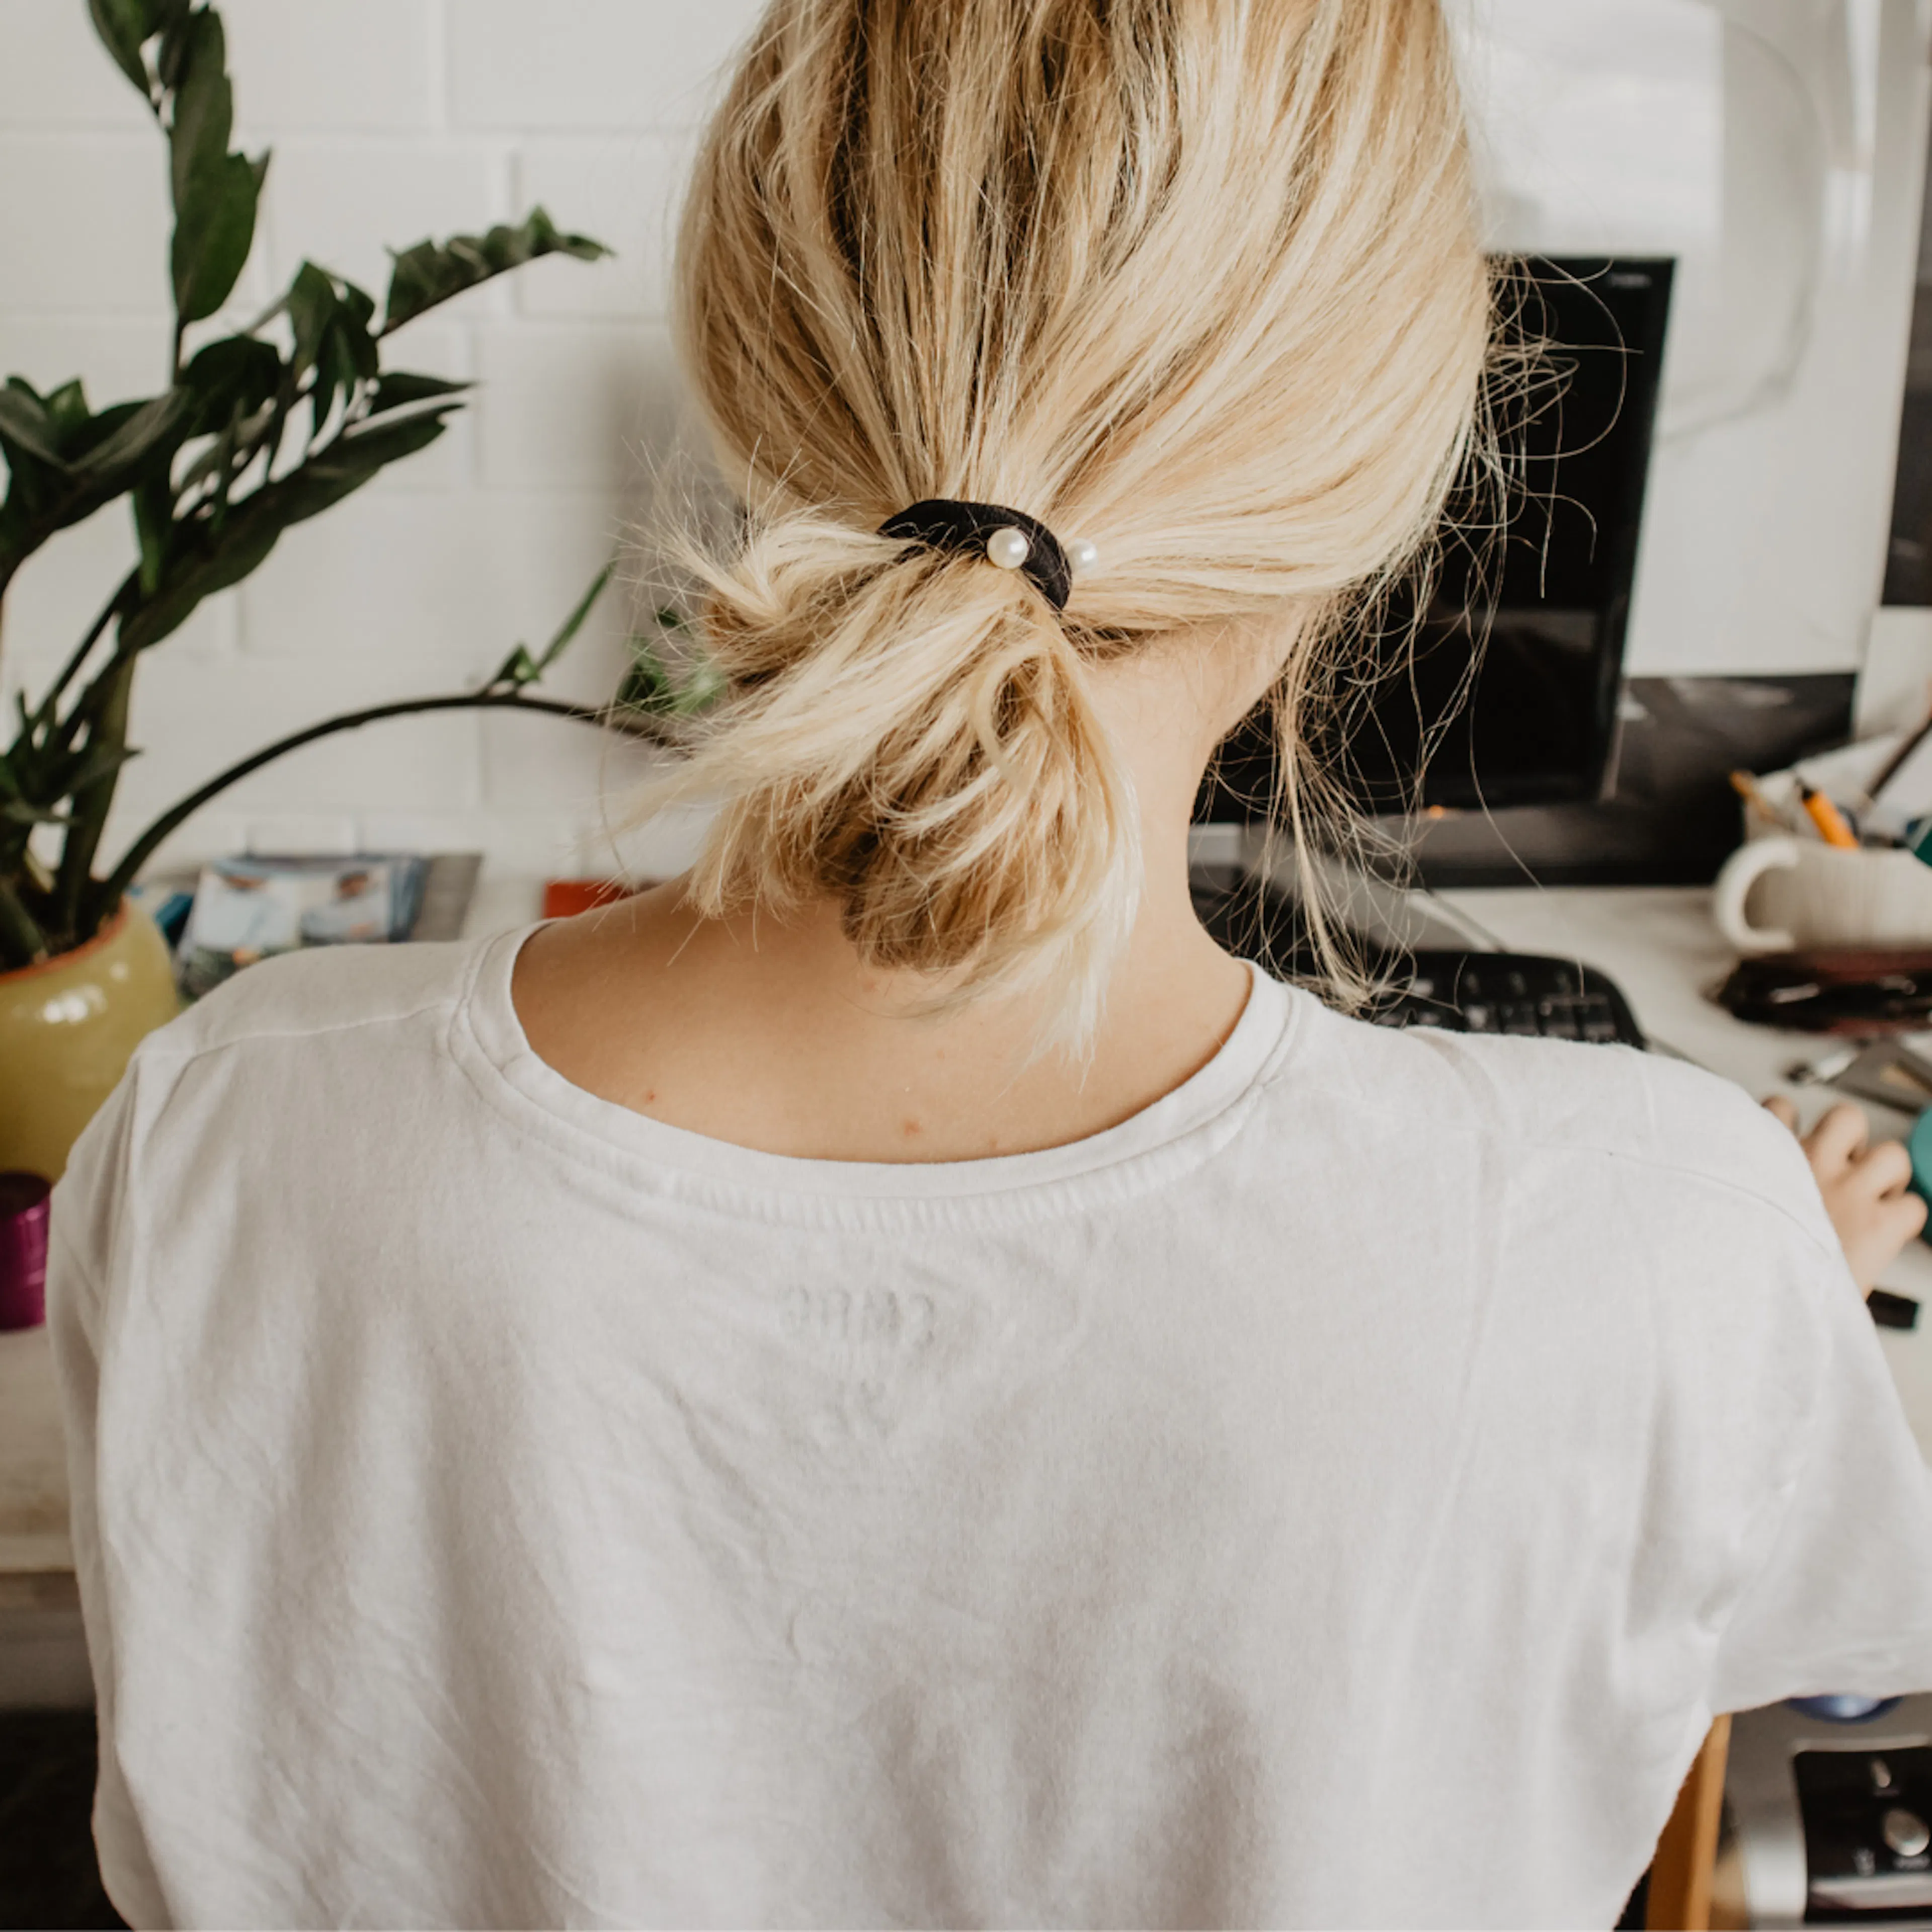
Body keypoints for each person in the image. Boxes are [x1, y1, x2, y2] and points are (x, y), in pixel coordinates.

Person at [46, 2, 1932, 1924]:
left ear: (749, 363)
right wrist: (1771, 1289)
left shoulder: (217, 1127)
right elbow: (1821, 1649)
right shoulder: (1663, 1237)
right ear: (1381, 485)